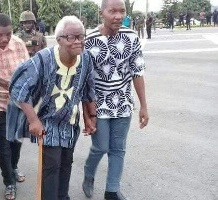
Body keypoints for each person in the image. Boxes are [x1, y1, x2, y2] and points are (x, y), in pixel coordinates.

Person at [7, 15, 96, 200]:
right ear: (59, 40)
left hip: (70, 124)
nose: (78, 41)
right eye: (71, 37)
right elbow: (17, 87)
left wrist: (90, 117)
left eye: (81, 36)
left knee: (66, 163)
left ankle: (62, 197)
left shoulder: (86, 59)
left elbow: (88, 90)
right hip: (47, 124)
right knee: (52, 167)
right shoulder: (43, 60)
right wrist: (33, 120)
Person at [82, 0, 149, 199]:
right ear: (101, 12)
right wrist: (87, 115)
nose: (118, 16)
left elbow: (137, 71)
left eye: (122, 11)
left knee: (118, 148)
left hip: (123, 103)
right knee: (101, 146)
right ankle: (88, 172)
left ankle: (112, 190)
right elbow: (85, 82)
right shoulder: (90, 40)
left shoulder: (131, 36)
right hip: (98, 105)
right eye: (113, 11)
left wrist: (144, 106)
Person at [0, 13, 29, 200]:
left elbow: (28, 71)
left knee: (16, 141)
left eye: (8, 34)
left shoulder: (18, 44)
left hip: (18, 103)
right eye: (0, 35)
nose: (4, 39)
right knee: (2, 145)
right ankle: (9, 181)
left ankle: (13, 167)